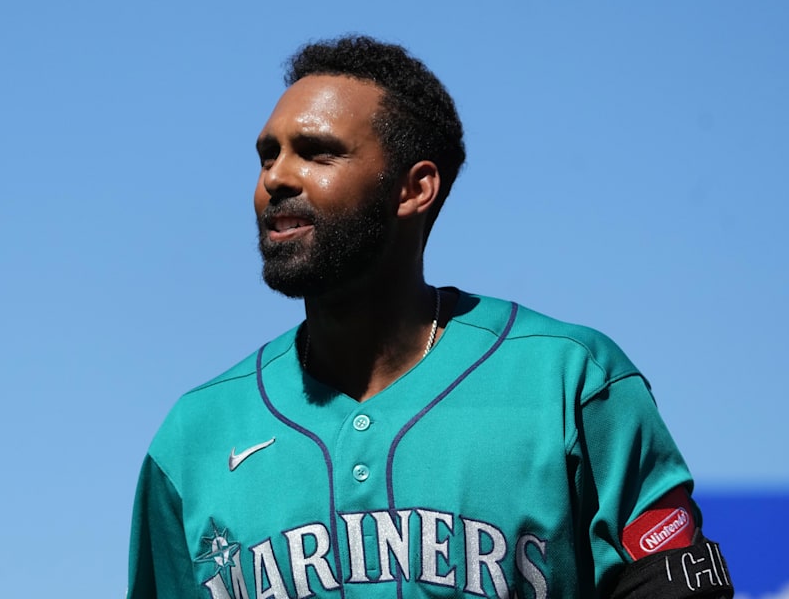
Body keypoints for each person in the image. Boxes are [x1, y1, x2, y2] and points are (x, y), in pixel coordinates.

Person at [127, 35, 733, 599]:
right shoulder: (193, 439)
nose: (276, 178)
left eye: (316, 153)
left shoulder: (572, 383)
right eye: (268, 156)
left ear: (414, 189)